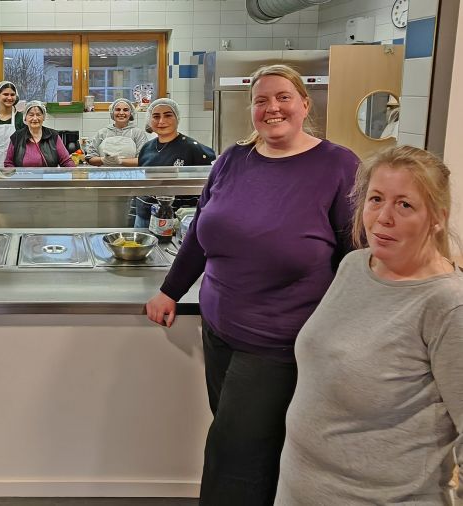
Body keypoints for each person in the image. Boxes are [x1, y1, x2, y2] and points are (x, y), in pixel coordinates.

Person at [144, 64, 360, 505]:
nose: (271, 107)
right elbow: (201, 232)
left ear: (304, 104)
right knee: (249, 441)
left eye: (282, 97)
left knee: (232, 452)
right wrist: (171, 289)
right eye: (261, 100)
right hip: (219, 329)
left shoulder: (338, 165)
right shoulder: (232, 160)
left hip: (280, 340)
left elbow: (355, 255)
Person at [276, 146, 463, 505]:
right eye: (376, 199)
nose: (382, 218)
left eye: (404, 204)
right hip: (300, 488)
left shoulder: (447, 304)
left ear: (438, 217)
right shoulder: (356, 265)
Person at [133, 97, 214, 227]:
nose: (161, 121)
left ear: (177, 118)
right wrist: (135, 214)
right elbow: (141, 186)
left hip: (175, 220)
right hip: (144, 216)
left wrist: (191, 217)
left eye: (168, 115)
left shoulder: (192, 148)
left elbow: (209, 186)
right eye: (156, 116)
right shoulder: (146, 148)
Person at [4, 100, 75, 168]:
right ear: (25, 117)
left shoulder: (53, 136)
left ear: (43, 117)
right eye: (31, 115)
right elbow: (8, 163)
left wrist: (74, 174)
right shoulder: (17, 137)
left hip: (48, 179)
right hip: (23, 179)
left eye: (38, 115)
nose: (35, 118)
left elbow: (66, 161)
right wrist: (15, 177)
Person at [85, 98, 148, 167]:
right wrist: (103, 160)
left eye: (125, 110)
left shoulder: (138, 133)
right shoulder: (102, 133)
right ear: (112, 112)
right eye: (117, 110)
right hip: (105, 176)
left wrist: (120, 161)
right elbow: (90, 158)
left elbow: (143, 160)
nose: (121, 113)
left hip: (131, 176)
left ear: (131, 113)